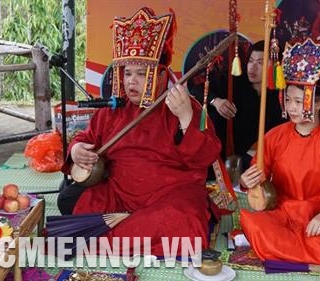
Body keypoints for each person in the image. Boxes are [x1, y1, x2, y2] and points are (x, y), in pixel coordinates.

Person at [57, 7, 222, 256]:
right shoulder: (114, 108)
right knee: (69, 199)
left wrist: (186, 116)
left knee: (186, 219)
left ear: (160, 74)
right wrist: (78, 149)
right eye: (127, 73)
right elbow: (85, 138)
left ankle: (102, 238)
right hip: (120, 194)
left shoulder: (182, 105)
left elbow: (205, 157)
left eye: (142, 74)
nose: (131, 82)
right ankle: (132, 232)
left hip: (169, 195)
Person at [238, 38, 320, 268]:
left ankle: (276, 246)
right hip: (283, 210)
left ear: (319, 103)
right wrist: (247, 181)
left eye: (297, 101)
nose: (291, 107)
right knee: (251, 221)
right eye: (288, 100)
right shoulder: (275, 135)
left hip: (316, 211)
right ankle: (319, 251)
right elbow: (258, 175)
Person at [191, 40, 286, 175]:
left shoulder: (281, 96)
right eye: (251, 61)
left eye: (260, 63)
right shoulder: (234, 82)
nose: (252, 67)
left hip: (252, 159)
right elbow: (197, 90)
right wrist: (216, 101)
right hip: (217, 152)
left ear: (276, 66)